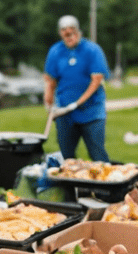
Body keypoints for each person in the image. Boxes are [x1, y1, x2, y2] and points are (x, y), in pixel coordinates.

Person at [44, 15, 110, 162]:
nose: (69, 36)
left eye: (72, 31)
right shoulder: (56, 51)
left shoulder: (92, 50)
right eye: (64, 32)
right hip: (65, 114)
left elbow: (97, 80)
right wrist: (49, 103)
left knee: (97, 155)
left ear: (78, 31)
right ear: (61, 33)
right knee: (66, 156)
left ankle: (107, 183)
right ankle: (71, 184)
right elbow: (50, 80)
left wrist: (77, 103)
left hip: (91, 113)